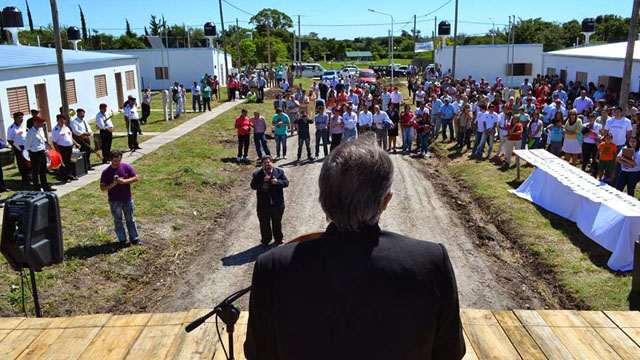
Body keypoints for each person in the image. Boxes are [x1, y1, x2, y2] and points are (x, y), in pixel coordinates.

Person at [244, 134, 466, 360]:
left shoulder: (272, 266)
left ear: (323, 200)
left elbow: (259, 352)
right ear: (386, 201)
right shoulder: (431, 261)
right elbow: (449, 352)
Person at [100, 150, 141, 246]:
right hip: (114, 201)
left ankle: (134, 239)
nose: (117, 162)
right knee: (118, 220)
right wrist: (112, 184)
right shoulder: (106, 172)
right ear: (111, 160)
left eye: (119, 160)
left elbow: (136, 178)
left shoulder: (126, 167)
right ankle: (122, 240)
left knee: (130, 219)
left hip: (127, 199)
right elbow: (102, 188)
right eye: (115, 161)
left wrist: (125, 181)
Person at [250, 155, 289, 246]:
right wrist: (262, 181)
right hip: (263, 205)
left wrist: (278, 182)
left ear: (272, 163)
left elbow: (286, 183)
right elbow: (253, 186)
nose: (267, 165)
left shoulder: (279, 172)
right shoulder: (257, 174)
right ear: (262, 164)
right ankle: (266, 240)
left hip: (277, 204)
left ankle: (278, 239)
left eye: (268, 162)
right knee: (264, 223)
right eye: (264, 163)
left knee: (277, 222)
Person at [24, 116, 55, 192]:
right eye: (38, 122)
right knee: (35, 171)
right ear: (34, 122)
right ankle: (36, 188)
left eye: (40, 122)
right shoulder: (31, 132)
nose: (40, 124)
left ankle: (45, 186)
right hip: (35, 153)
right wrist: (30, 153)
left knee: (43, 170)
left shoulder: (40, 130)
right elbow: (27, 145)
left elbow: (43, 139)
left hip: (42, 152)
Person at [51, 113, 80, 183]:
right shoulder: (56, 130)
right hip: (62, 148)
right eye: (60, 120)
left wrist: (76, 143)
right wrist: (58, 152)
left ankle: (70, 174)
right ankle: (64, 177)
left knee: (72, 161)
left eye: (63, 120)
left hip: (70, 147)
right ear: (57, 120)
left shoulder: (66, 127)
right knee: (64, 163)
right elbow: (54, 142)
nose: (62, 121)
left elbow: (70, 137)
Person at [7, 111, 31, 183]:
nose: (21, 119)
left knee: (28, 162)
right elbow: (9, 140)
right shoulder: (12, 128)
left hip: (27, 146)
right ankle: (25, 179)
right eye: (19, 118)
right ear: (15, 119)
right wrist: (18, 148)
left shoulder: (23, 125)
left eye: (22, 118)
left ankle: (30, 176)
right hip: (19, 147)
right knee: (22, 164)